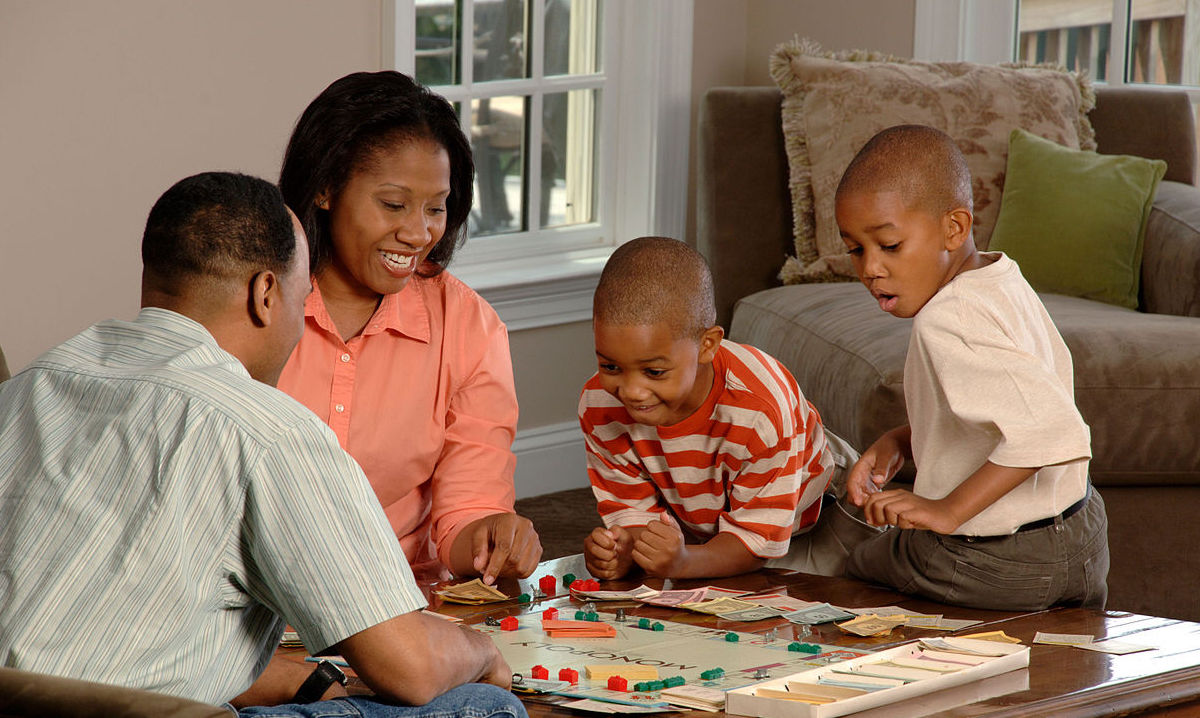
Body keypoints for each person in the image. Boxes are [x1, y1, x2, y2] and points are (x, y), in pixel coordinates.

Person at [0, 172, 523, 718]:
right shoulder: (268, 432)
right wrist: (481, 651)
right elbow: (410, 670)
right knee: (481, 704)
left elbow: (111, 636)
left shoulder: (27, 390)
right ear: (266, 293)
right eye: (302, 300)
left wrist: (299, 681)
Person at [277, 71, 540, 583]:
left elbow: (467, 508)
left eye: (436, 208)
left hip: (396, 599)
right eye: (393, 205)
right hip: (259, 604)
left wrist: (491, 539)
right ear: (326, 188)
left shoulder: (468, 326)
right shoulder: (257, 302)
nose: (419, 232)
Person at [836, 125, 1110, 611]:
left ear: (954, 228)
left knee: (857, 566)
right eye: (857, 249)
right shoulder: (1000, 276)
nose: (870, 268)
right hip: (1082, 535)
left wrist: (945, 511)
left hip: (997, 557)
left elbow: (1050, 432)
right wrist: (902, 439)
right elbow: (1017, 407)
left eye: (889, 246)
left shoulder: (946, 318)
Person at [580, 237, 874, 580]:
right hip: (712, 522)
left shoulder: (760, 410)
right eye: (610, 367)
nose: (630, 391)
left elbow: (754, 542)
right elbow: (635, 521)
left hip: (819, 513)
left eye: (654, 372)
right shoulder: (600, 404)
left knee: (810, 598)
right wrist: (624, 550)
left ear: (708, 345)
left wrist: (684, 562)